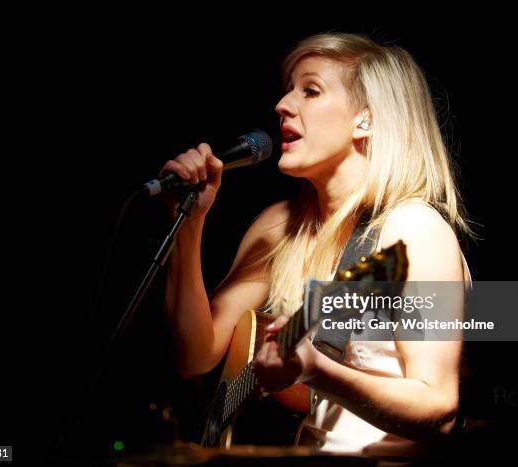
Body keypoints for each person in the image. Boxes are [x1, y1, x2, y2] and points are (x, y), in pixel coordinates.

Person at [161, 32, 473, 457]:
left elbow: (439, 408)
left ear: (366, 120)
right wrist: (189, 223)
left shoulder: (414, 230)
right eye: (289, 89)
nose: (283, 105)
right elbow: (194, 355)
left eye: (310, 90)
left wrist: (316, 369)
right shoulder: (280, 228)